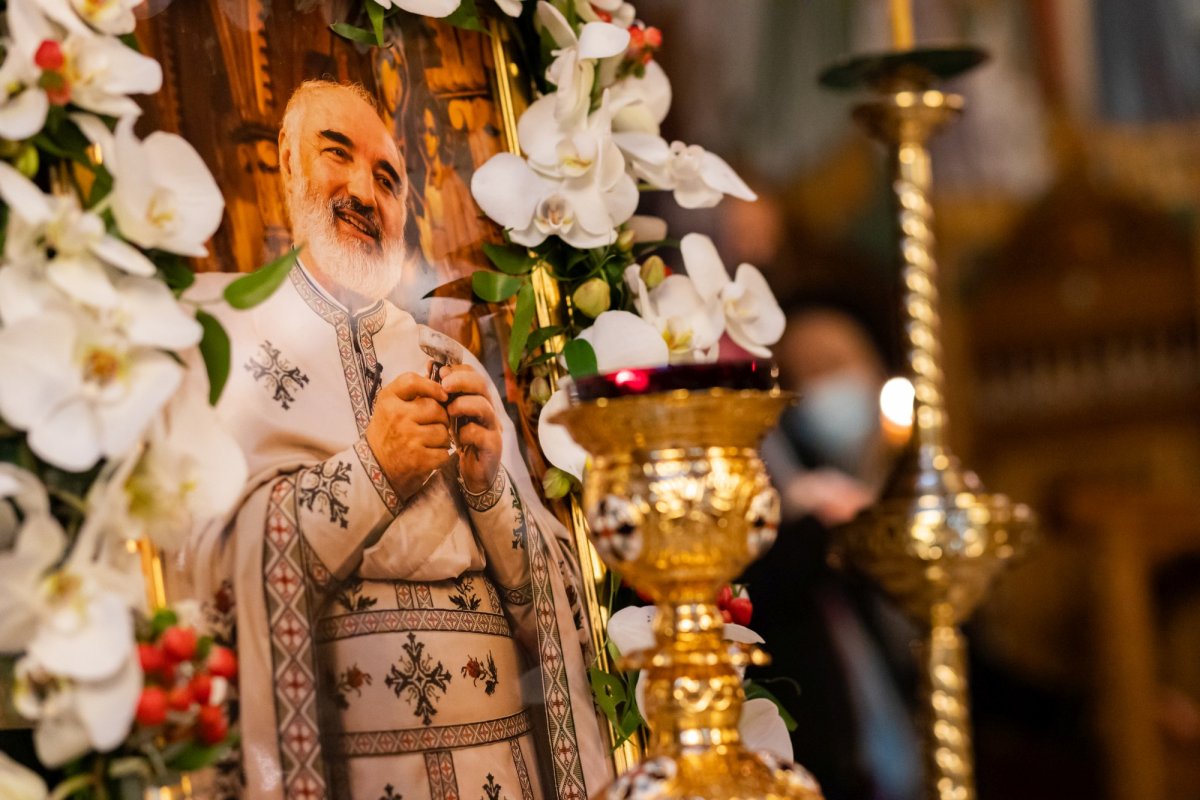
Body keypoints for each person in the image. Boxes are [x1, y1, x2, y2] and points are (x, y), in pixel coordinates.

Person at [177, 80, 608, 800]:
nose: (363, 191)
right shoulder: (225, 340)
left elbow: (558, 607)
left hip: (498, 770)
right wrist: (371, 473)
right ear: (286, 163)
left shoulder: (453, 364)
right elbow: (206, 567)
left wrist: (489, 491)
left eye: (388, 178)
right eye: (335, 154)